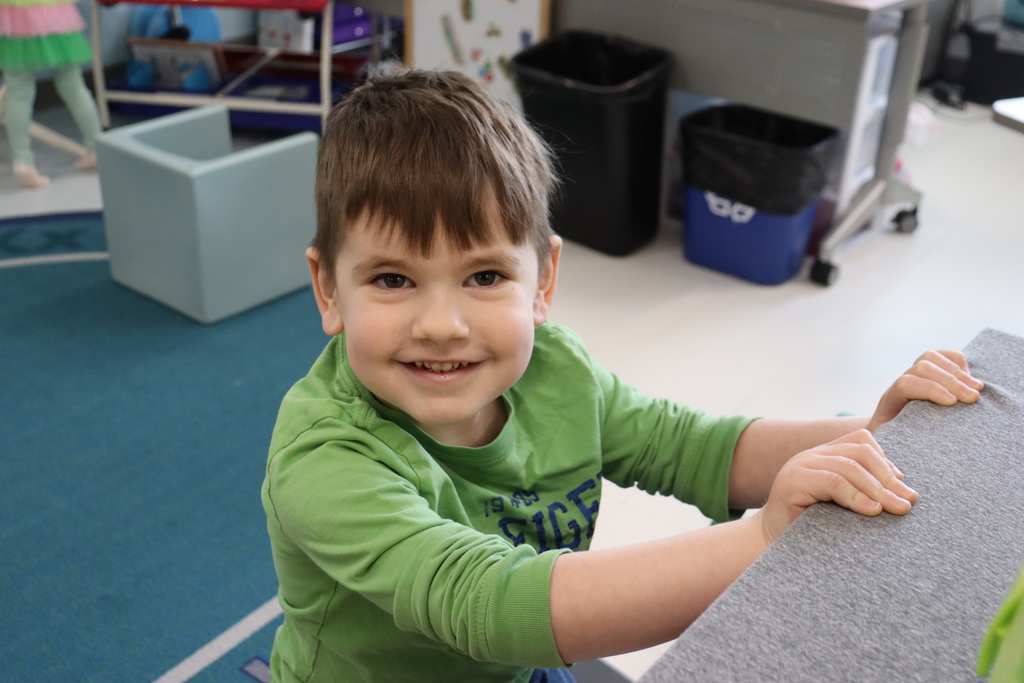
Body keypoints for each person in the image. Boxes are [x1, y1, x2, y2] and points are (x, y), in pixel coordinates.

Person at [261, 67, 985, 683]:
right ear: (329, 291)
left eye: (483, 274)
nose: (442, 323)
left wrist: (877, 435)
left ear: (543, 280)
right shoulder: (324, 456)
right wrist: (761, 539)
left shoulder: (557, 371)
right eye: (393, 279)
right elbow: (483, 604)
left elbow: (701, 447)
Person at [0, 0, 101, 188]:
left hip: (12, 16)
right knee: (73, 85)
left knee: (18, 90)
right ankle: (96, 149)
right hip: (55, 13)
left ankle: (23, 161)